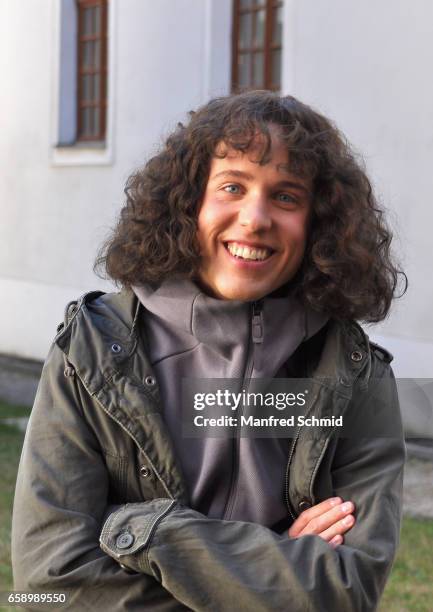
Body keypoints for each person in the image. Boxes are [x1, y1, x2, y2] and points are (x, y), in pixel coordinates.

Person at [12, 91, 406, 611]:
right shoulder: (91, 352)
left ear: (319, 223)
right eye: (232, 186)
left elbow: (345, 592)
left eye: (287, 196)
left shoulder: (357, 377)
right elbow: (47, 586)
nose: (255, 217)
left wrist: (145, 532)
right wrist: (279, 567)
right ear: (188, 201)